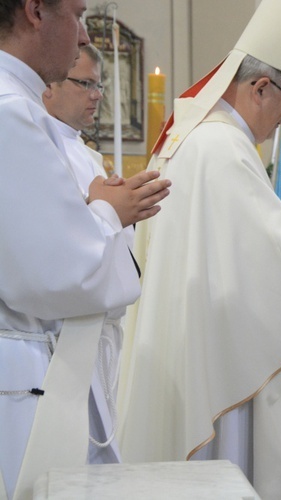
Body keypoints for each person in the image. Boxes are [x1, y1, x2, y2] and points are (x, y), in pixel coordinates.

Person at [115, 2, 281, 499]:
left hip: (190, 344)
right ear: (260, 87)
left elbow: (246, 256)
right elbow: (269, 271)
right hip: (219, 358)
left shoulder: (192, 139)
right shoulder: (224, 147)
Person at [0, 1, 171, 498]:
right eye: (76, 14)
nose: (81, 35)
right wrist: (107, 212)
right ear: (35, 11)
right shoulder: (12, 112)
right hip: (25, 368)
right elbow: (62, 277)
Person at [42, 43, 133, 465]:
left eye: (100, 85)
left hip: (97, 331)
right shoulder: (39, 146)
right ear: (49, 87)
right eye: (85, 84)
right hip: (59, 338)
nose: (97, 95)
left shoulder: (91, 156)